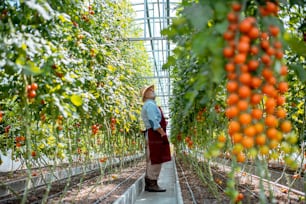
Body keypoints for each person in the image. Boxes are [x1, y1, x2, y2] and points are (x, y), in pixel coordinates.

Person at [140, 84, 171, 192]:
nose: (152, 90)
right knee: (155, 159)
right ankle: (152, 184)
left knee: (152, 158)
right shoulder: (150, 105)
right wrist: (161, 132)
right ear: (146, 95)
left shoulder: (150, 104)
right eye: (149, 90)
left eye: (152, 89)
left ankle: (150, 183)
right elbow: (153, 121)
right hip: (155, 134)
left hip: (152, 134)